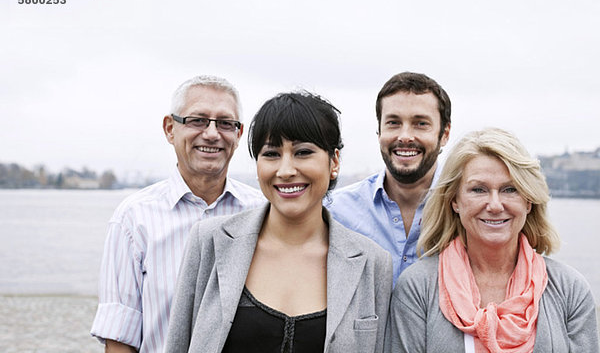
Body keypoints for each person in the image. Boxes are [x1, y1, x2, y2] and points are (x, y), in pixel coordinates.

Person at [165, 91, 393, 353]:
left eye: (303, 152)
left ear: (334, 162)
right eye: (271, 154)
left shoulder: (372, 263)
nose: (285, 170)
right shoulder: (210, 242)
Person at [90, 75, 265, 353]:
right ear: (170, 129)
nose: (211, 133)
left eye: (225, 123)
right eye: (197, 120)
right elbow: (120, 339)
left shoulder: (262, 214)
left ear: (238, 134)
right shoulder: (134, 220)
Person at [385, 128, 600, 352]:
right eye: (478, 189)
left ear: (529, 201)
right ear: (454, 201)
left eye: (510, 189)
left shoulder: (569, 289)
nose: (495, 205)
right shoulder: (417, 288)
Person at [325, 72, 451, 282]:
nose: (405, 136)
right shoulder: (336, 213)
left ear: (444, 134)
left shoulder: (467, 212)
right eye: (393, 123)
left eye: (421, 124)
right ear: (379, 132)